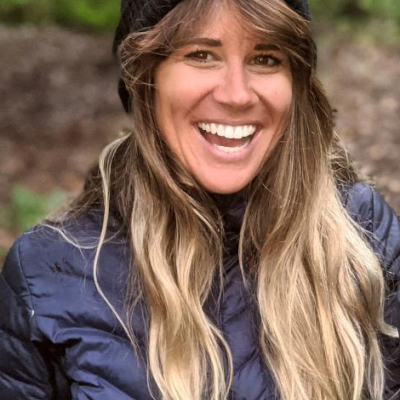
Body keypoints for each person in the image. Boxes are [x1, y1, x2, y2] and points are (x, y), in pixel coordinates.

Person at [0, 0, 399, 399]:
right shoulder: (47, 274)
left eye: (265, 58)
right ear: (144, 76)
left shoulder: (361, 235)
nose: (237, 94)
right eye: (201, 55)